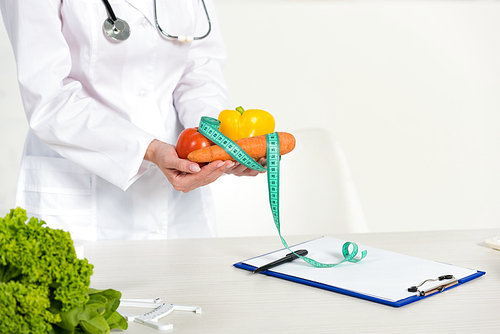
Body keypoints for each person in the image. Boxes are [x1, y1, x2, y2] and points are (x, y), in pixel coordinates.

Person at [0, 0, 262, 240]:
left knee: (189, 287)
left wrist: (219, 142)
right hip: (78, 196)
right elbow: (49, 99)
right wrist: (149, 149)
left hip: (180, 207)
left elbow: (199, 69)